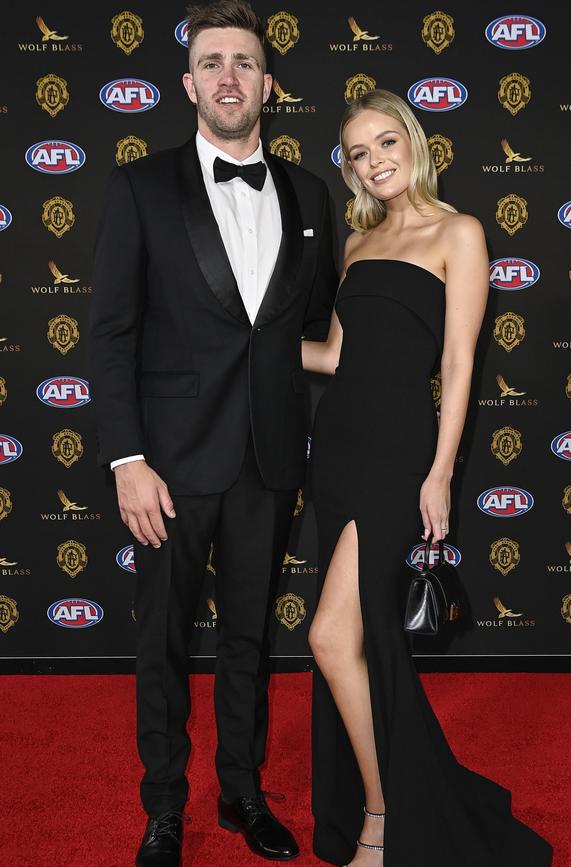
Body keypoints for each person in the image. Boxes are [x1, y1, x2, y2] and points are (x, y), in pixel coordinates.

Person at [88, 2, 337, 864]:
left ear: (270, 84)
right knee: (159, 642)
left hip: (269, 460)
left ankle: (242, 792)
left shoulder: (311, 193)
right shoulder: (140, 186)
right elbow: (112, 334)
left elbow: (308, 331)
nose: (228, 76)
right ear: (188, 81)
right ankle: (164, 807)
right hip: (167, 467)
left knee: (249, 639)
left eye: (244, 62)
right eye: (211, 62)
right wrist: (127, 460)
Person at [301, 89, 553, 866]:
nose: (374, 161)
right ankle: (398, 797)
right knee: (365, 635)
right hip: (337, 444)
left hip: (399, 450)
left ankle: (382, 817)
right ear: (347, 167)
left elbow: (458, 362)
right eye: (357, 153)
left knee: (331, 634)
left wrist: (441, 471)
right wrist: (252, 342)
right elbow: (338, 356)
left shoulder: (459, 231)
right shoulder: (356, 244)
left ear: (413, 142)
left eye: (385, 143)